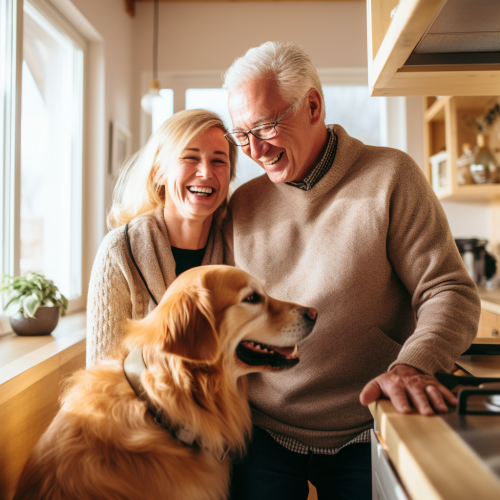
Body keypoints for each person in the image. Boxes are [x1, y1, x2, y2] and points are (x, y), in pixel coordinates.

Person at [222, 42, 480, 499]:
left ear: (313, 106)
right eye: (241, 136)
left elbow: (448, 291)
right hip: (264, 428)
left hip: (367, 421)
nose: (255, 150)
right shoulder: (243, 204)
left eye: (264, 126)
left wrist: (413, 366)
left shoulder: (390, 176)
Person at [87, 109, 237, 367]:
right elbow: (102, 377)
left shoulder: (238, 246)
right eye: (191, 157)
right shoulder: (119, 252)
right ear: (158, 172)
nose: (205, 172)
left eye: (219, 161)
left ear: (230, 175)